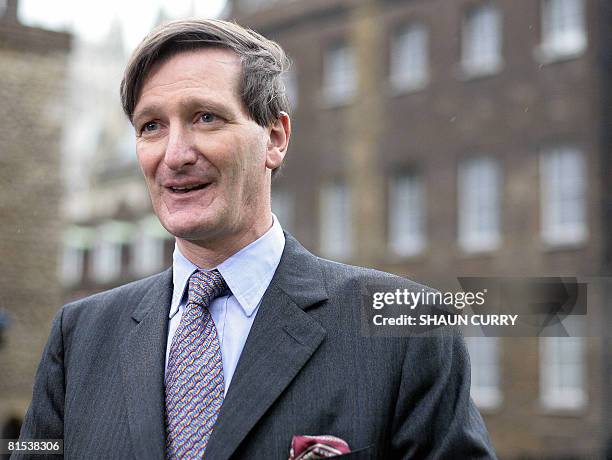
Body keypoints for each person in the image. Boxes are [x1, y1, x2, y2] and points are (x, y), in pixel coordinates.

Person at [15, 19, 496, 459]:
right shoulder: (79, 336)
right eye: (151, 127)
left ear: (274, 138)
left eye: (206, 117)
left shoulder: (406, 331)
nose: (176, 154)